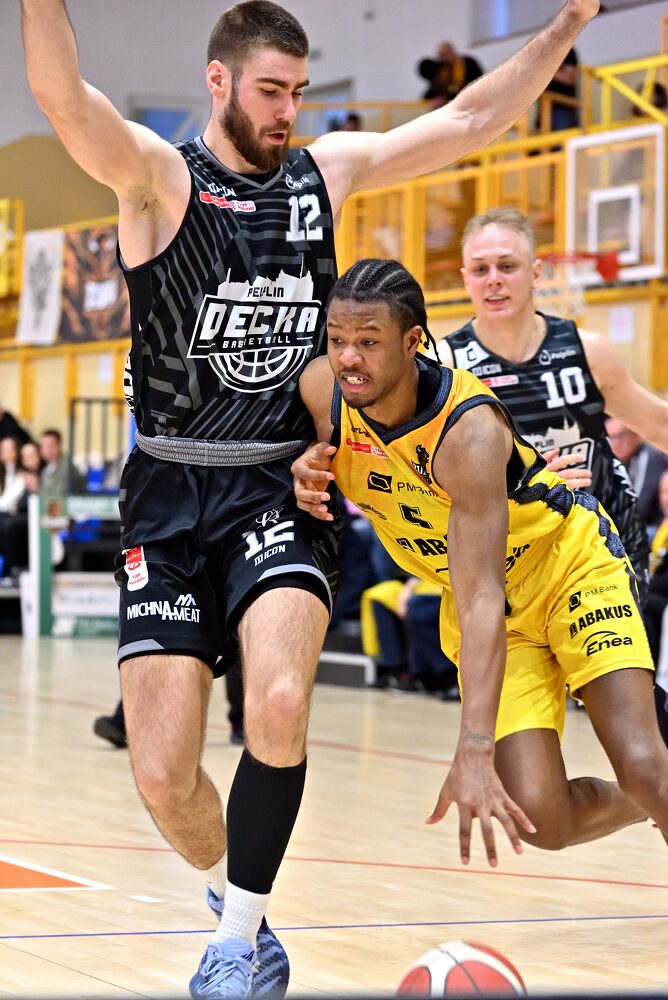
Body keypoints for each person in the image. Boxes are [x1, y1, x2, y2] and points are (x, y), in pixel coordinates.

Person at [22, 0, 601, 995]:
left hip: (280, 484)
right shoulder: (159, 180)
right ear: (218, 81)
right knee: (161, 772)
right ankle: (233, 902)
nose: (288, 111)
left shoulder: (319, 176)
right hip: (166, 490)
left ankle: (235, 943)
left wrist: (568, 22)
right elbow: (61, 96)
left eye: (297, 91)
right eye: (269, 91)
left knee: (282, 701)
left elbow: (468, 119)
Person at [293, 257, 668, 868]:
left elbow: (481, 597)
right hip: (494, 606)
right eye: (337, 340)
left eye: (369, 342)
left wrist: (473, 746)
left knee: (648, 767)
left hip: (567, 567)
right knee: (540, 818)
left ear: (413, 342)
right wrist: (305, 468)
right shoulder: (322, 391)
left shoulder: (467, 432)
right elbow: (302, 457)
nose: (349, 358)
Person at [439, 207, 668, 739]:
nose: (494, 280)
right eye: (480, 269)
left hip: (604, 548)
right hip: (513, 560)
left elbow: (656, 422)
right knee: (530, 755)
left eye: (507, 266)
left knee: (635, 728)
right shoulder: (447, 367)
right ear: (465, 279)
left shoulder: (587, 351)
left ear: (536, 272)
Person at [605, 418, 668, 533]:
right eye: (610, 438)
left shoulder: (648, 455)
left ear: (635, 434)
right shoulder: (621, 463)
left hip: (656, 527)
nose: (615, 443)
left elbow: (641, 504)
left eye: (620, 436)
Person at [418, 42, 484, 109]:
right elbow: (433, 90)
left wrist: (446, 99)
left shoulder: (468, 63)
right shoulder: (441, 69)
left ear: (452, 53)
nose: (441, 58)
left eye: (444, 55)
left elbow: (478, 85)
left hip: (471, 103)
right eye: (440, 56)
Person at [39, 428, 86, 497]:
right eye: (43, 447)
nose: (46, 451)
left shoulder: (67, 466)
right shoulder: (45, 468)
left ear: (59, 446)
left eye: (50, 446)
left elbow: (60, 493)